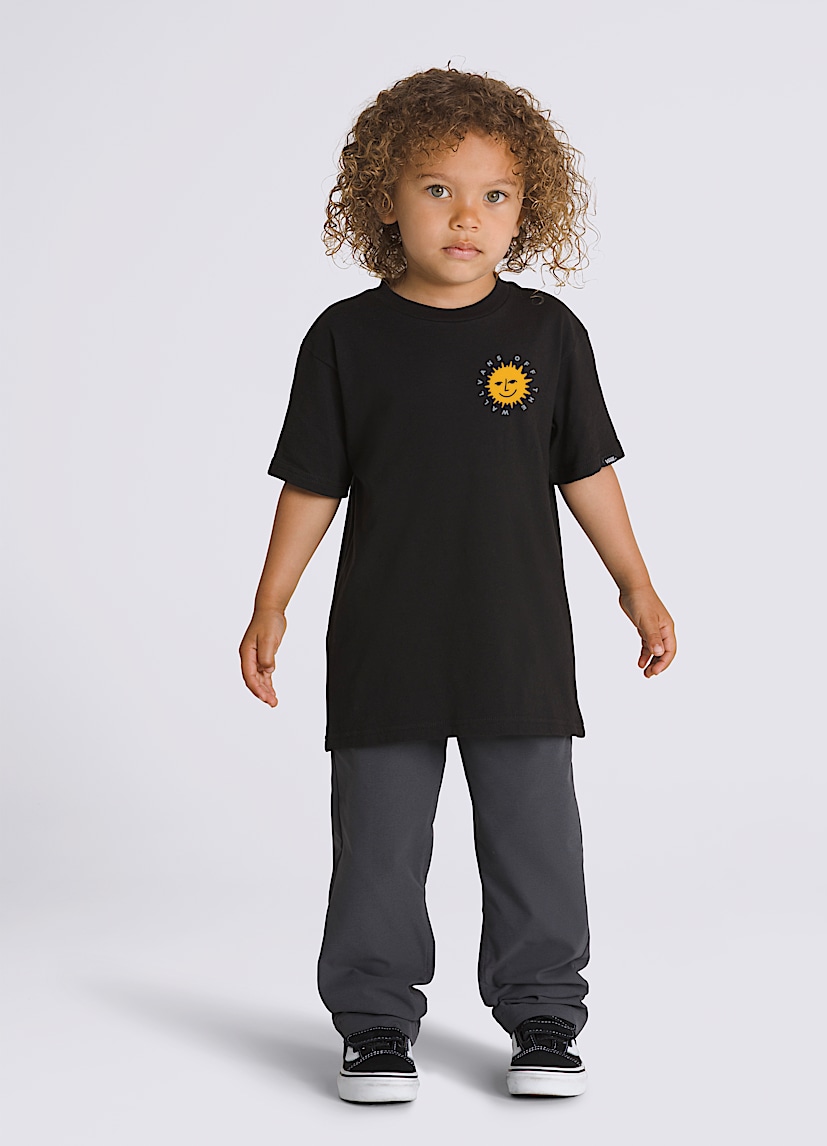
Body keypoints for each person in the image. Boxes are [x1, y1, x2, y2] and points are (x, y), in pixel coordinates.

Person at [239, 66, 676, 1104]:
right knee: (379, 848)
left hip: (517, 643)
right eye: (437, 189)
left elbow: (586, 471)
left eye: (494, 194)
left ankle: (542, 1014)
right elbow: (314, 483)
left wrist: (636, 585)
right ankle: (374, 1023)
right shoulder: (345, 338)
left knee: (535, 839)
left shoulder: (548, 335)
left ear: (528, 209)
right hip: (386, 641)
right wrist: (271, 602)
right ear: (385, 200)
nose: (466, 216)